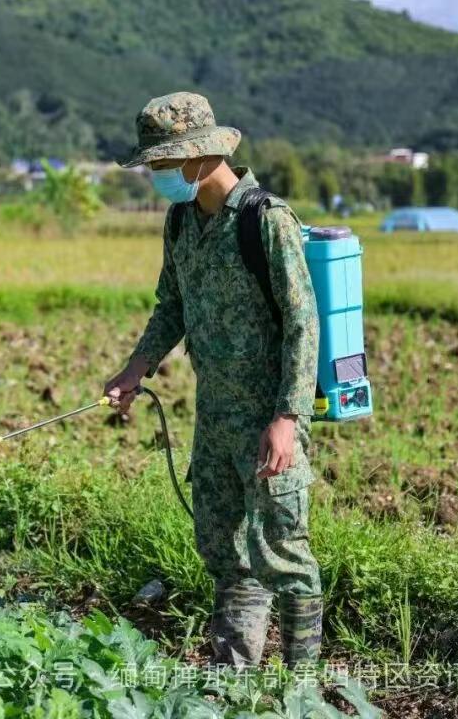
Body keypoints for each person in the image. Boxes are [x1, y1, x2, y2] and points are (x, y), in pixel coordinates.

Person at [104, 92, 323, 667]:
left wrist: (286, 418)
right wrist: (136, 367)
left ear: (198, 157)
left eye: (162, 163)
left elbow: (304, 323)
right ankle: (236, 679)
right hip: (215, 418)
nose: (155, 175)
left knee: (284, 552)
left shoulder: (265, 220)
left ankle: (302, 688)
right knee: (226, 554)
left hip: (268, 420)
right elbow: (170, 305)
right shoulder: (181, 221)